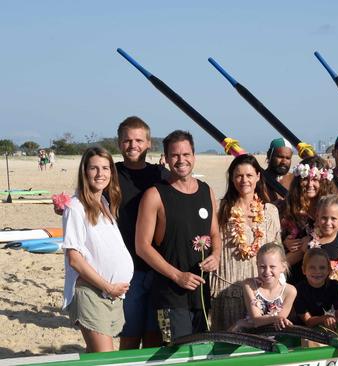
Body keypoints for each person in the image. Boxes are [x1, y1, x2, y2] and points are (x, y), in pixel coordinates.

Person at [135, 130, 220, 343]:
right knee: (177, 355)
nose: (181, 160)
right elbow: (142, 246)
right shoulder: (154, 195)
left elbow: (215, 233)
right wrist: (177, 276)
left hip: (201, 293)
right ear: (166, 158)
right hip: (170, 297)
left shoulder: (206, 191)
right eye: (175, 155)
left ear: (194, 156)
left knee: (201, 354)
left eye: (186, 154)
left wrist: (217, 254)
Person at [61, 147, 134, 352]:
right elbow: (74, 258)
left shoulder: (104, 203)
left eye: (105, 168)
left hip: (110, 296)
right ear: (85, 172)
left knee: (96, 357)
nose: (100, 174)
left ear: (112, 172)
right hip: (93, 293)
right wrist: (107, 287)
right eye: (94, 168)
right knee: (105, 358)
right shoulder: (75, 207)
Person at [210, 154, 282, 331]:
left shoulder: (270, 211)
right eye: (239, 175)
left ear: (258, 176)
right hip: (227, 291)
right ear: (232, 178)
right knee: (227, 346)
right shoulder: (220, 208)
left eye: (249, 175)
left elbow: (277, 253)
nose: (244, 180)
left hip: (262, 293)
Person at [116, 116, 168, 349]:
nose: (133, 145)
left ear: (149, 143)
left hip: (158, 268)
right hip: (127, 270)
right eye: (127, 140)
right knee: (129, 335)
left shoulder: (161, 175)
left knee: (154, 336)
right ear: (119, 143)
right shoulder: (110, 174)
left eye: (138, 140)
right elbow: (85, 199)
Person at [280, 156, 335, 283]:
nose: (310, 184)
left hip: (321, 273)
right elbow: (275, 238)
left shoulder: (330, 209)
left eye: (315, 179)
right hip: (293, 274)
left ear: (324, 182)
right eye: (305, 179)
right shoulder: (287, 207)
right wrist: (284, 242)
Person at [300, 194, 338, 304]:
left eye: (333, 218)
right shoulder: (308, 242)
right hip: (313, 303)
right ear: (317, 216)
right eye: (324, 218)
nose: (328, 223)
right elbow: (287, 260)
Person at [231, 243, 297, 331]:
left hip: (273, 335)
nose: (267, 271)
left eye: (272, 267)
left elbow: (279, 323)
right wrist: (275, 318)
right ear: (257, 265)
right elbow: (256, 319)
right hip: (250, 334)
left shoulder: (290, 291)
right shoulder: (249, 285)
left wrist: (242, 323)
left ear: (283, 267)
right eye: (262, 267)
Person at [294, 248, 338, 329]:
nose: (317, 271)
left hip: (328, 330)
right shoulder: (298, 290)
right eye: (312, 267)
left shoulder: (334, 286)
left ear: (329, 269)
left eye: (322, 267)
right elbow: (308, 321)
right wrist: (324, 318)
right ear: (304, 270)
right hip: (304, 332)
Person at [265, 137, 294, 202]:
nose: (284, 162)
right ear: (269, 155)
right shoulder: (259, 179)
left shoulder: (295, 180)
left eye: (288, 158)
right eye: (280, 157)